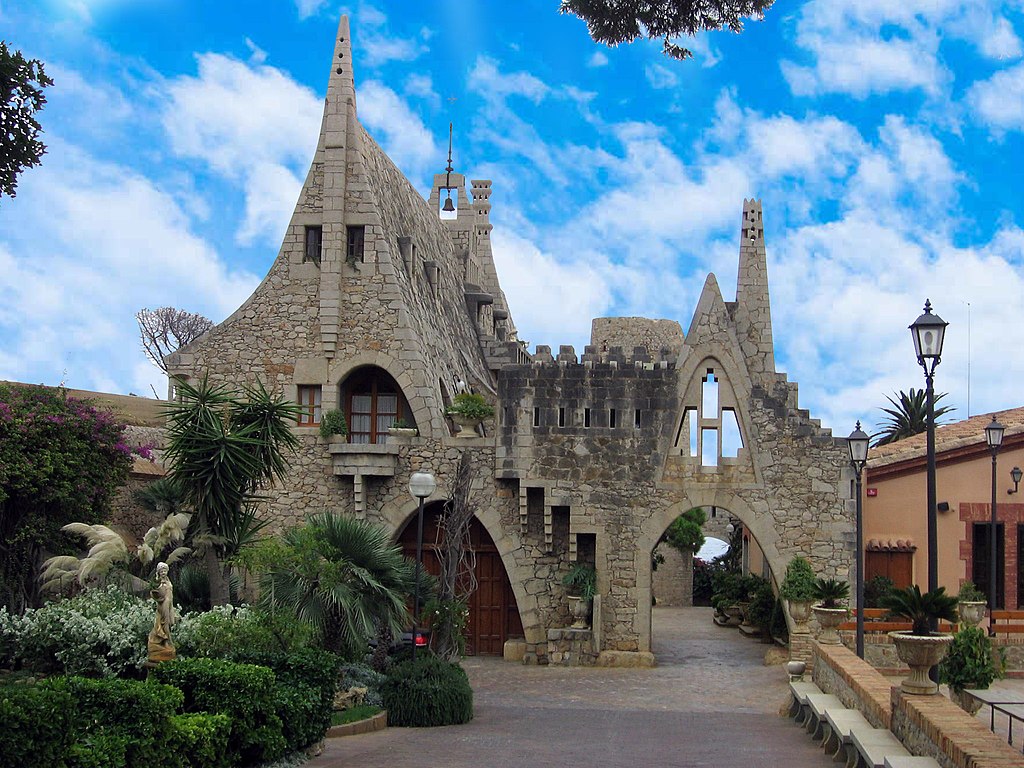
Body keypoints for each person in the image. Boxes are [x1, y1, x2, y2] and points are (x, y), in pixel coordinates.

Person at [147, 562, 176, 662]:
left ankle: (165, 641)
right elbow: (154, 593)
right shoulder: (158, 582)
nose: (163, 573)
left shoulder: (168, 581)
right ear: (158, 572)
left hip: (170, 604)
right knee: (165, 622)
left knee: (172, 622)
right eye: (161, 571)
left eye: (165, 571)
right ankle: (168, 641)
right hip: (163, 604)